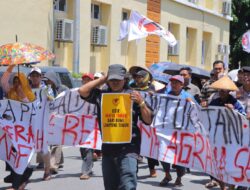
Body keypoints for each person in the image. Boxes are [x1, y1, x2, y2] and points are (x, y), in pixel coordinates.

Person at [78, 64, 153, 190]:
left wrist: (141, 103)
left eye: (118, 79)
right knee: (110, 187)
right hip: (108, 149)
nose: (115, 82)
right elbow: (82, 91)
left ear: (125, 79)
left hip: (129, 149)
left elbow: (148, 120)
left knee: (128, 185)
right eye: (112, 79)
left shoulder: (134, 96)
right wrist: (103, 78)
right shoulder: (101, 96)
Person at [1, 64, 35, 190]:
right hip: (11, 130)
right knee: (11, 153)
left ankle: (22, 179)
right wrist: (10, 68)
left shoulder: (30, 95)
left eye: (19, 81)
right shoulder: (10, 92)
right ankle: (17, 176)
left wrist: (22, 96)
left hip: (23, 132)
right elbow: (3, 82)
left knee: (21, 154)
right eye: (14, 80)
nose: (16, 83)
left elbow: (31, 110)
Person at [208, 76, 245, 190]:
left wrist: (234, 110)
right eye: (220, 90)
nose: (221, 92)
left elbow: (243, 118)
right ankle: (222, 187)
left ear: (229, 91)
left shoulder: (236, 103)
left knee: (231, 165)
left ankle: (232, 186)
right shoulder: (214, 101)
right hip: (218, 138)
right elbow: (209, 116)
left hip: (232, 140)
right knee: (217, 165)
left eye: (224, 90)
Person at [160, 75, 194, 187]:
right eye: (172, 82)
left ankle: (179, 178)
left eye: (176, 82)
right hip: (167, 130)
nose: (174, 85)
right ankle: (167, 174)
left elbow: (197, 111)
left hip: (182, 132)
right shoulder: (167, 95)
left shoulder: (187, 96)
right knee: (163, 153)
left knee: (180, 157)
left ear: (182, 85)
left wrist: (191, 103)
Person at [129, 66, 159, 178]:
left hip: (147, 122)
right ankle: (133, 170)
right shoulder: (131, 87)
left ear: (145, 78)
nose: (138, 79)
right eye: (136, 77)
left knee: (148, 145)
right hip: (134, 121)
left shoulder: (151, 89)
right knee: (135, 147)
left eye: (140, 77)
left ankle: (152, 168)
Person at [43, 70, 69, 174]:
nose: (48, 82)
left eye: (49, 80)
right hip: (48, 117)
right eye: (46, 80)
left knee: (57, 141)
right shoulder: (45, 90)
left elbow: (68, 101)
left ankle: (53, 164)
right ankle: (59, 160)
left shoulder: (63, 89)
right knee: (50, 140)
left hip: (60, 117)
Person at [29, 67, 51, 181]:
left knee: (43, 149)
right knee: (26, 149)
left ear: (41, 77)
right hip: (29, 123)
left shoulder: (46, 89)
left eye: (37, 75)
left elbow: (53, 100)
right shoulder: (26, 89)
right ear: (30, 77)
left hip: (42, 123)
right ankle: (22, 176)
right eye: (33, 75)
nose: (35, 78)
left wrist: (48, 95)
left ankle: (47, 171)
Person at [79, 73, 95, 180]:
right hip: (80, 125)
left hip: (92, 125)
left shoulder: (96, 93)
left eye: (88, 79)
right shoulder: (77, 92)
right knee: (82, 148)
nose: (86, 81)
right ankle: (88, 165)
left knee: (88, 148)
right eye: (84, 79)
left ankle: (86, 171)